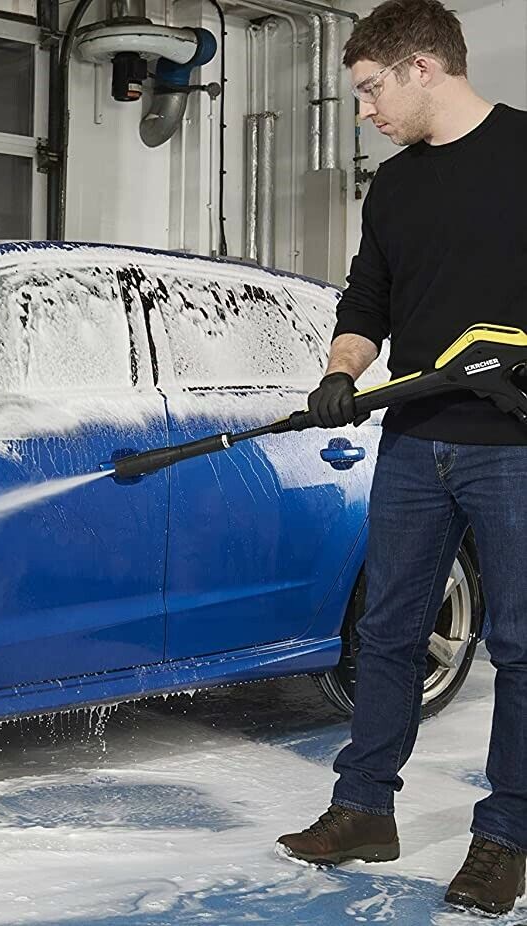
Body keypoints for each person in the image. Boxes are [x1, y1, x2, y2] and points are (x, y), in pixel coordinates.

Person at [274, 0, 527, 916]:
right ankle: (361, 809)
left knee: (521, 646)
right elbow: (367, 295)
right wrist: (342, 371)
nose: (366, 111)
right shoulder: (397, 185)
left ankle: (505, 839)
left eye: (373, 89)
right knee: (385, 634)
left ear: (424, 66)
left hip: (516, 449)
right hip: (417, 443)